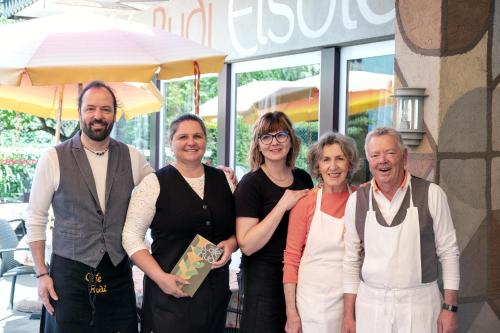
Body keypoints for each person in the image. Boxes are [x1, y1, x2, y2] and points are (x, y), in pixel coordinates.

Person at [27, 80, 153, 332]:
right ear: (80, 112)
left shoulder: (132, 156)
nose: (98, 115)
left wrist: (209, 174)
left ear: (115, 114)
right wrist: (42, 274)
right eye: (91, 108)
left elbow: (161, 189)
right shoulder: (53, 157)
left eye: (106, 109)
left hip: (116, 272)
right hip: (69, 275)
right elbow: (36, 218)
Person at [122, 113, 237, 333]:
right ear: (171, 143)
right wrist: (160, 278)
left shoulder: (224, 181)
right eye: (183, 136)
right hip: (169, 298)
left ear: (205, 140)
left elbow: (236, 230)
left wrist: (231, 245)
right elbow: (130, 236)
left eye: (198, 136)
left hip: (214, 296)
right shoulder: (153, 184)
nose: (191, 142)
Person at [342, 127, 460, 333]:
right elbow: (351, 260)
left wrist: (449, 308)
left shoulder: (432, 194)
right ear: (369, 161)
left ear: (404, 156)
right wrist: (348, 316)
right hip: (371, 307)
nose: (382, 160)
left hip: (420, 306)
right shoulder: (356, 201)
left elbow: (449, 253)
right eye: (375, 155)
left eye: (389, 152)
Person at [235, 111, 313, 333]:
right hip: (263, 279)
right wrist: (282, 205)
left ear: (291, 140)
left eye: (281, 135)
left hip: (299, 276)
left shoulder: (303, 178)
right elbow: (247, 245)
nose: (274, 142)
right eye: (266, 137)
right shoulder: (251, 184)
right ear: (258, 145)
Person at [283, 132, 359, 333]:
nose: (333, 167)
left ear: (349, 164)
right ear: (318, 166)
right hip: (312, 303)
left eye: (340, 159)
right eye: (326, 160)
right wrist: (292, 314)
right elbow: (291, 260)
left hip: (350, 299)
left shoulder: (360, 199)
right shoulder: (305, 203)